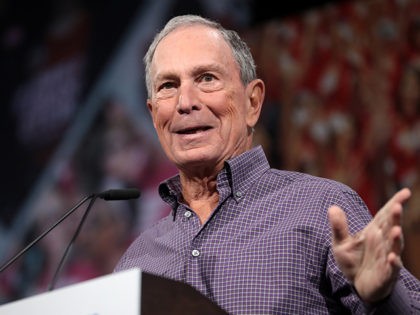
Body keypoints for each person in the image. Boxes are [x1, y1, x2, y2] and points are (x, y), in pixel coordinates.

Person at [114, 14, 420, 314]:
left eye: (207, 78)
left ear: (253, 103)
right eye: (168, 85)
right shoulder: (135, 264)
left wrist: (384, 298)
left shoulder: (322, 209)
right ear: (155, 116)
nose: (185, 102)